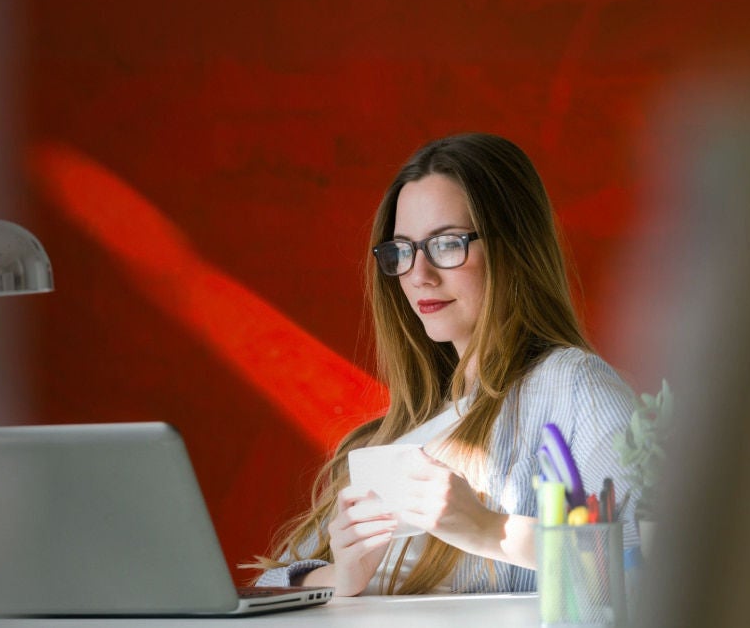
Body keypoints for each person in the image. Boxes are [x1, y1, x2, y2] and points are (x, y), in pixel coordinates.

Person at [247, 133, 638, 595]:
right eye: (402, 251)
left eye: (447, 244)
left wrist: (491, 530)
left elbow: (656, 560)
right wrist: (340, 576)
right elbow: (265, 588)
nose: (419, 275)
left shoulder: (570, 386)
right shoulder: (399, 431)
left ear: (514, 248)